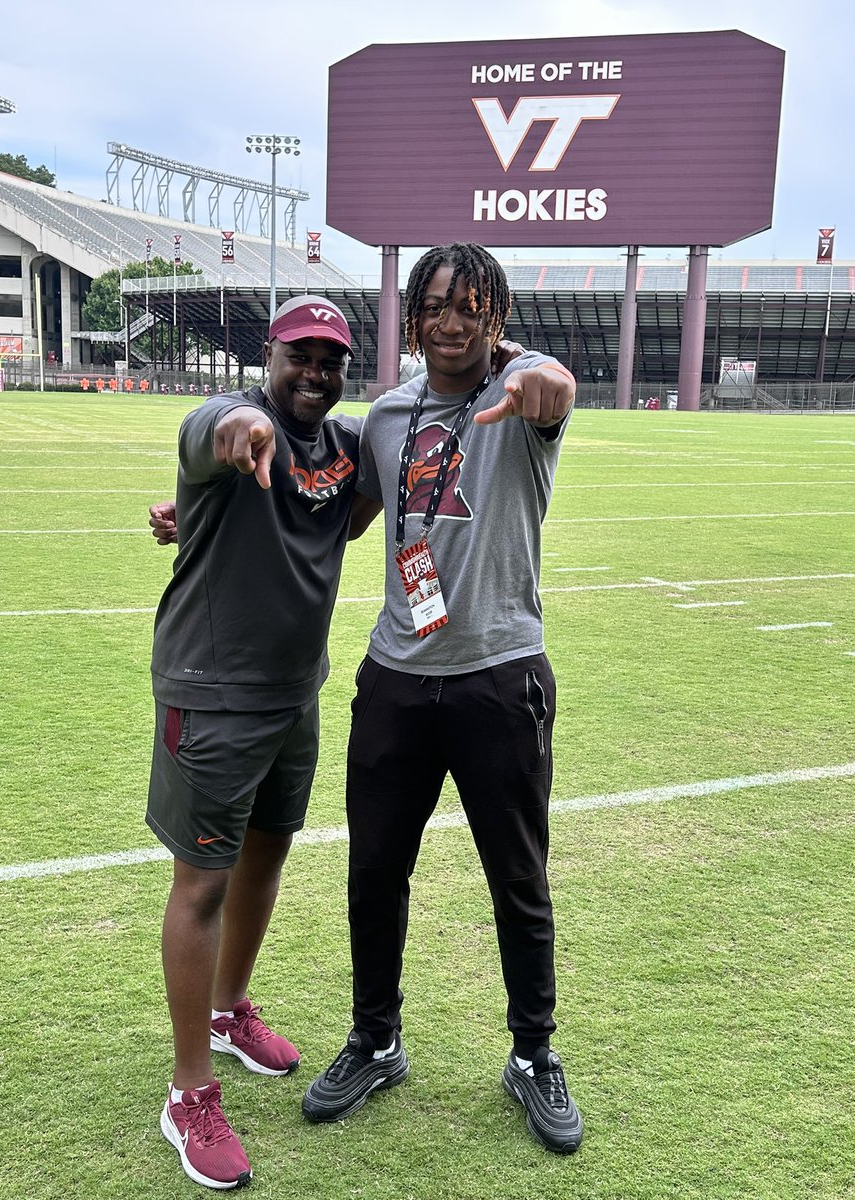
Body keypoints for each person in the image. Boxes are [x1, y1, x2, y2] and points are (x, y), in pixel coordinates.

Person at [299, 244, 583, 1155]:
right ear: (413, 316)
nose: (452, 321)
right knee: (374, 872)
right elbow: (337, 512)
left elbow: (553, 384)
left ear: (494, 315)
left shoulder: (520, 395)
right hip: (395, 677)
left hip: (500, 675)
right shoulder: (387, 414)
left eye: (471, 305)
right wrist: (214, 511)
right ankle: (376, 1038)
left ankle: (533, 1054)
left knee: (518, 879)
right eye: (435, 305)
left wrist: (542, 373)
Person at [147, 295, 368, 1190]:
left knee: (265, 861)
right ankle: (188, 1091)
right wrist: (238, 429)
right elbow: (215, 427)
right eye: (298, 356)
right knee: (201, 882)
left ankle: (230, 1012)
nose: (313, 371)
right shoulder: (229, 422)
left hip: (294, 691)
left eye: (330, 359)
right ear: (268, 358)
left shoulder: (351, 448)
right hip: (211, 695)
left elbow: (345, 518)